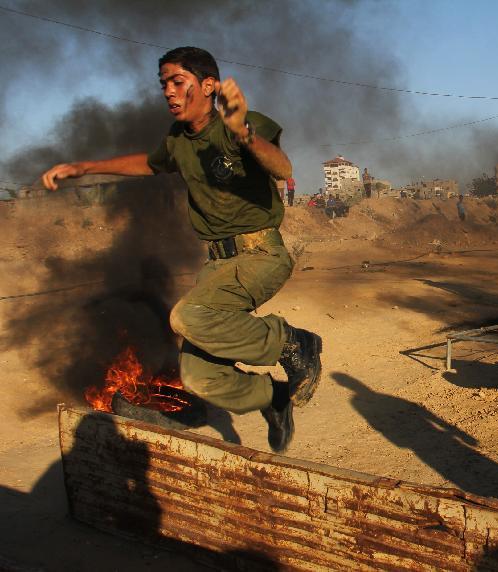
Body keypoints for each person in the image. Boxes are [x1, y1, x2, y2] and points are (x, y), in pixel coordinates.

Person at [41, 47, 322, 453]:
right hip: (219, 263)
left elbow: (282, 168)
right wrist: (86, 167)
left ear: (208, 85)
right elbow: (150, 163)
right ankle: (273, 398)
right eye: (164, 84)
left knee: (186, 316)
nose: (169, 92)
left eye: (178, 82)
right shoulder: (178, 140)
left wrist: (243, 131)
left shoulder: (238, 125)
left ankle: (293, 343)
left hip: (260, 253)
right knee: (198, 377)